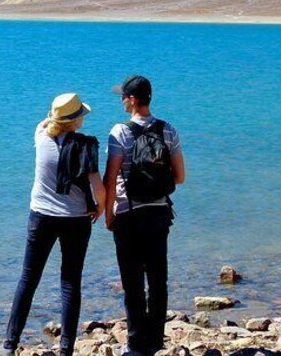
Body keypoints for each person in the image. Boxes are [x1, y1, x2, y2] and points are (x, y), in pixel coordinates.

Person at [0, 93, 106, 356]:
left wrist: (56, 115)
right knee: (70, 282)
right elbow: (98, 187)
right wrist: (100, 209)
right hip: (76, 220)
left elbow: (46, 122)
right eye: (80, 113)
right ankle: (66, 349)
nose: (83, 116)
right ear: (75, 120)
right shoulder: (86, 146)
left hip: (41, 217)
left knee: (28, 278)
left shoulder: (41, 136)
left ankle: (9, 345)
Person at [104, 76, 186, 356]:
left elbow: (111, 176)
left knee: (132, 281)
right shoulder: (169, 130)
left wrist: (108, 214)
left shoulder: (120, 132)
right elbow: (181, 177)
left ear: (133, 100)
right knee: (158, 278)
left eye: (123, 97)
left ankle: (136, 343)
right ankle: (156, 341)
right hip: (159, 213)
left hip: (128, 215)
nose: (121, 101)